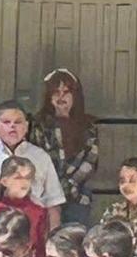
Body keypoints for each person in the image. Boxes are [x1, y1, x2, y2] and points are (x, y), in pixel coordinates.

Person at [0, 102, 65, 257]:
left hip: (32, 234)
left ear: (26, 126)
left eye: (18, 122)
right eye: (6, 122)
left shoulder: (41, 157)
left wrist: (53, 239)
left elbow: (53, 202)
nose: (12, 127)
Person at [34, 69, 100, 225]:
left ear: (75, 96)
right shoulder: (40, 125)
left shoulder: (88, 126)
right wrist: (54, 184)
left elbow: (91, 160)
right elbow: (38, 157)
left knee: (75, 237)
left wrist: (70, 183)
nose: (61, 97)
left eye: (66, 92)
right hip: (46, 193)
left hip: (78, 194)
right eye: (56, 92)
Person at [0, 156, 51, 257]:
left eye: (28, 177)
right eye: (18, 178)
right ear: (4, 181)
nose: (24, 182)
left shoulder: (39, 212)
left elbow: (41, 246)